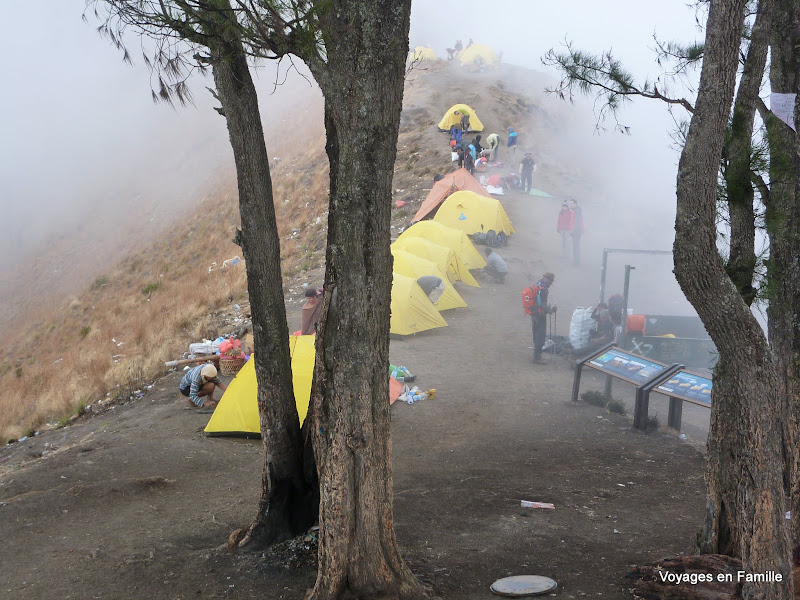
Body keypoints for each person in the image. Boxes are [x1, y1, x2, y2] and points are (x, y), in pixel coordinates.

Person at [523, 272, 556, 363]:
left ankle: (536, 355)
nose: (551, 284)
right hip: (540, 315)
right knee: (540, 337)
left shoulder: (539, 283)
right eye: (551, 282)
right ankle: (537, 358)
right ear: (549, 281)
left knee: (535, 334)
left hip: (533, 313)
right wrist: (551, 310)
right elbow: (543, 305)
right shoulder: (544, 289)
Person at [569, 199, 585, 266]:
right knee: (575, 247)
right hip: (576, 231)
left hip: (576, 232)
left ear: (575, 204)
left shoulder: (577, 211)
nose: (571, 205)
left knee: (576, 248)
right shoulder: (575, 210)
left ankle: (576, 263)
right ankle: (576, 262)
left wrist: (573, 231)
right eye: (570, 203)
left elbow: (577, 222)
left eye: (572, 203)